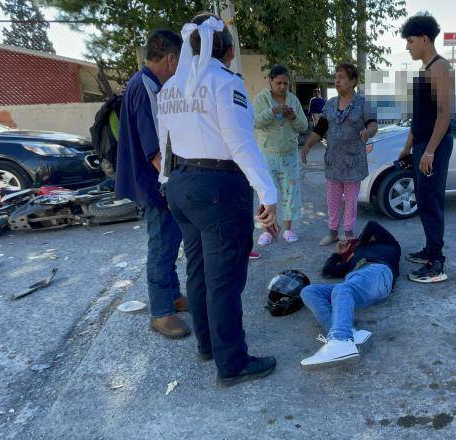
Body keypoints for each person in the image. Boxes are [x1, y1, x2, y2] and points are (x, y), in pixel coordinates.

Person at [157, 13, 279, 387]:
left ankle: (208, 345)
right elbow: (240, 144)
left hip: (179, 185)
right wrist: (268, 192)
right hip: (217, 189)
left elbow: (166, 141)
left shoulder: (170, 88)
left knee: (197, 270)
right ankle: (232, 363)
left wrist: (166, 180)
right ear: (225, 50)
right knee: (223, 280)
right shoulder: (226, 83)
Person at [114, 29, 190, 338]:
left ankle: (171, 294)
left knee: (170, 242)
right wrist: (173, 182)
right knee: (161, 245)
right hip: (155, 183)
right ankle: (161, 313)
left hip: (153, 181)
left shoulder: (144, 83)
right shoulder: (145, 87)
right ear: (171, 58)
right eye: (179, 61)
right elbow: (154, 148)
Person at [398, 13, 454, 283]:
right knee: (423, 199)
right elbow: (420, 116)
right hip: (422, 144)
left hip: (436, 145)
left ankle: (437, 265)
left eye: (409, 41)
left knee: (431, 201)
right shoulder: (425, 70)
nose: (407, 46)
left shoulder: (441, 68)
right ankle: (430, 250)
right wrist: (408, 147)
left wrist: (430, 151)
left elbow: (444, 115)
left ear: (424, 39)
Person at [300, 220, 400, 368]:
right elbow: (328, 271)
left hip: (379, 272)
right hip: (357, 280)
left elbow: (372, 225)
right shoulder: (352, 259)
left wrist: (355, 243)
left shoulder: (388, 244)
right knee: (309, 291)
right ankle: (348, 335)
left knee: (343, 289)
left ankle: (340, 340)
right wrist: (338, 254)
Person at [301, 63, 378, 246]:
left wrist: (367, 132)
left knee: (351, 201)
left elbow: (373, 125)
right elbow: (320, 129)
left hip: (353, 161)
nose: (337, 80)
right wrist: (307, 145)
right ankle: (333, 232)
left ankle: (349, 233)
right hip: (333, 161)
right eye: (336, 77)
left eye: (342, 77)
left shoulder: (363, 103)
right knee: (333, 199)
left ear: (352, 82)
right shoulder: (330, 104)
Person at [253, 64, 309, 245]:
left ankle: (288, 229)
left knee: (289, 192)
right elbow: (255, 122)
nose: (283, 87)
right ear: (270, 81)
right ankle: (267, 231)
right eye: (279, 83)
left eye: (286, 83)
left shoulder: (292, 100)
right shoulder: (262, 99)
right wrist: (273, 111)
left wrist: (293, 117)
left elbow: (304, 126)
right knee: (266, 193)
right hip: (267, 153)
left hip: (289, 154)